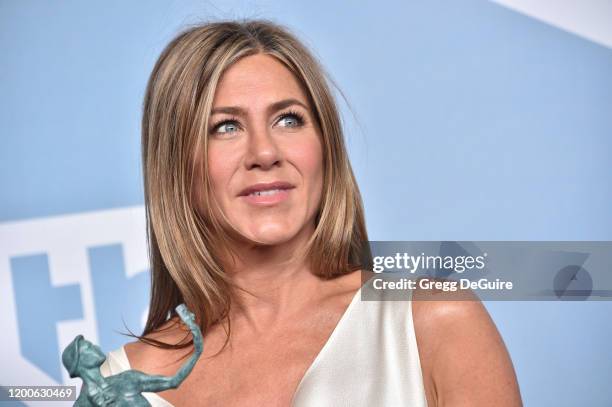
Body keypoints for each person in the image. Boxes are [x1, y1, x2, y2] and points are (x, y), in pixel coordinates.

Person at [100, 19, 522, 406]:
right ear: (176, 167)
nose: (265, 153)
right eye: (225, 127)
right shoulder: (124, 382)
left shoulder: (432, 320)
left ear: (326, 146)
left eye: (288, 119)